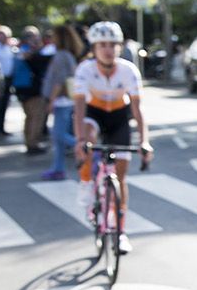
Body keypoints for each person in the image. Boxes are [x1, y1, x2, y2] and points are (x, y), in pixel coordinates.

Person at [72, 21, 152, 254]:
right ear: (94, 49)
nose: (108, 50)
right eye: (102, 45)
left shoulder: (128, 70)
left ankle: (120, 232)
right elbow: (78, 107)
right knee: (87, 137)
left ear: (119, 47)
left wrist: (145, 141)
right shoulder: (85, 70)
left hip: (118, 115)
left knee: (121, 176)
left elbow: (138, 110)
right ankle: (87, 182)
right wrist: (79, 140)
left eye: (113, 45)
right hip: (93, 113)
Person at [40, 23, 84, 181]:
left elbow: (59, 81)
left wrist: (51, 100)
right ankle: (58, 168)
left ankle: (90, 151)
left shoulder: (61, 55)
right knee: (58, 139)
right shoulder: (67, 54)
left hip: (62, 100)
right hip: (65, 99)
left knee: (59, 134)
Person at [15, 26, 51, 154]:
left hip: (26, 89)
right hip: (31, 90)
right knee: (35, 117)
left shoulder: (22, 51)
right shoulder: (26, 53)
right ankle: (32, 143)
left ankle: (31, 142)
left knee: (31, 117)